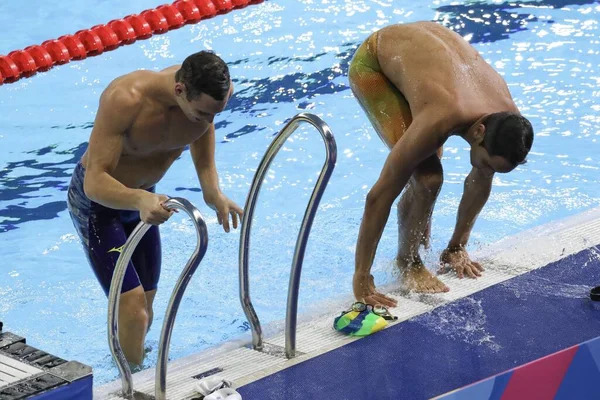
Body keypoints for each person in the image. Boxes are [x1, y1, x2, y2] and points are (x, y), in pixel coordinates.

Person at [67, 50, 243, 364]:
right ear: (180, 91)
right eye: (203, 113)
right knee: (133, 308)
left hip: (143, 199)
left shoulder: (212, 94)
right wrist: (139, 199)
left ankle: (133, 365)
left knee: (144, 308)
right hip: (98, 206)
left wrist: (212, 191)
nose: (209, 121)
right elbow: (94, 182)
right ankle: (131, 387)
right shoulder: (126, 99)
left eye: (216, 113)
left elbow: (202, 133)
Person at [348, 22, 534, 307]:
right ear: (479, 132)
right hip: (376, 65)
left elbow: (482, 176)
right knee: (428, 179)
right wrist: (362, 276)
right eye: (488, 164)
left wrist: (457, 246)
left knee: (428, 167)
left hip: (424, 52)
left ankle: (434, 234)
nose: (488, 171)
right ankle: (407, 263)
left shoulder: (508, 122)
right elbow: (378, 197)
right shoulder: (442, 116)